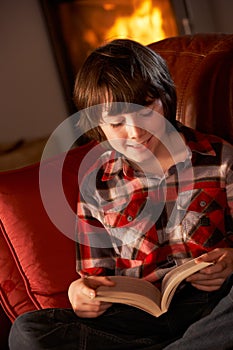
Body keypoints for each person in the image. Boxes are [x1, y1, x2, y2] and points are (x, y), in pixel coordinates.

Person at [9, 39, 233, 349]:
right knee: (28, 330)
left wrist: (231, 261)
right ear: (98, 125)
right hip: (137, 321)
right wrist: (81, 293)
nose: (135, 132)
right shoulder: (96, 184)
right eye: (116, 122)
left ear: (166, 99)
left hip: (212, 304)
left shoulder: (220, 159)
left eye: (146, 110)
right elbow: (96, 277)